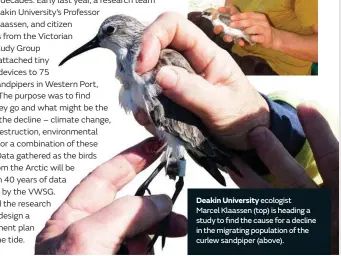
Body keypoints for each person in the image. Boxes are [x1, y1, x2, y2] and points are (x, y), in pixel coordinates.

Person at [36, 12, 337, 255]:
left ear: (125, 31)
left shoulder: (158, 65)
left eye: (108, 32)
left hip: (212, 146)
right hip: (287, 181)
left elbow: (184, 130)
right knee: (171, 160)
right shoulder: (133, 68)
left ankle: (155, 206)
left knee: (173, 161)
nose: (97, 41)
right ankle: (156, 208)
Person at [188, 0, 318, 75]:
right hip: (238, 49)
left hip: (273, 69)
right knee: (190, 23)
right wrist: (231, 20)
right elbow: (230, 4)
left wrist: (275, 38)